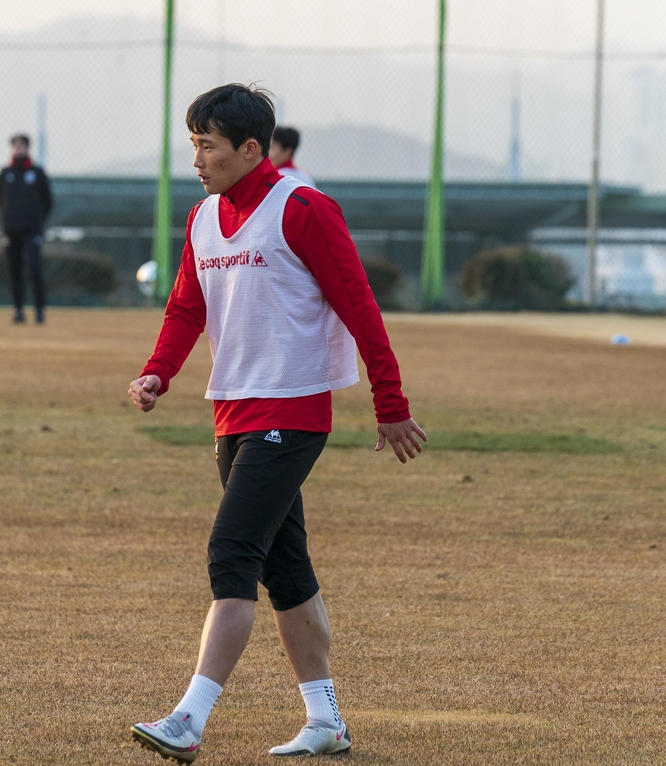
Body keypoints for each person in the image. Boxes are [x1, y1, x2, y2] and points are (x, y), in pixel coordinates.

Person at [127, 84, 426, 763]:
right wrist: (157, 372)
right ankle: (325, 722)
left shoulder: (302, 208)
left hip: (291, 413)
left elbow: (359, 306)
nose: (198, 159)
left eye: (209, 145)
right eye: (194, 144)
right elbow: (184, 308)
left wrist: (391, 402)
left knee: (231, 554)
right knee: (286, 572)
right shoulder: (203, 218)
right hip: (230, 412)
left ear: (252, 148)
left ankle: (188, 719)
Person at [0, 133, 52, 324]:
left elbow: (48, 201)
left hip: (32, 229)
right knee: (15, 271)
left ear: (27, 148)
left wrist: (37, 221)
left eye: (21, 146)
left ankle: (39, 310)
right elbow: (0, 200)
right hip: (11, 230)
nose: (18, 149)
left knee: (35, 269)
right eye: (15, 146)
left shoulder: (37, 173)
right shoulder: (5, 173)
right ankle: (18, 310)